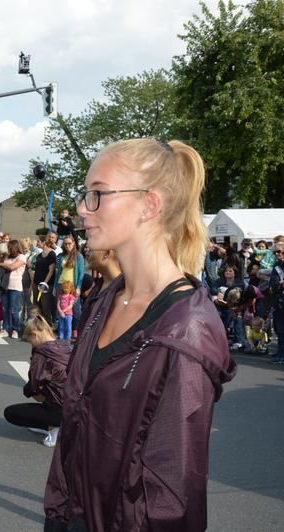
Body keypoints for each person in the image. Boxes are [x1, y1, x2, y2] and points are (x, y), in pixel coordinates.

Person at [44, 138, 236, 531]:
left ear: (149, 205)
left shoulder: (185, 330)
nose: (82, 208)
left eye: (98, 194)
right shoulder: (106, 300)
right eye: (85, 194)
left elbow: (171, 499)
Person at [3, 316, 71, 448]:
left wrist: (28, 390)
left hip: (59, 408)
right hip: (77, 404)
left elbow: (34, 389)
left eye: (30, 341)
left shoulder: (41, 354)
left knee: (11, 413)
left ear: (34, 334)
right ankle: (59, 424)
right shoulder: (66, 346)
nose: (32, 345)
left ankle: (54, 427)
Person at [32, 236, 57, 325]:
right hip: (36, 283)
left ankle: (48, 325)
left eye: (38, 241)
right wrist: (33, 283)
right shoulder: (39, 255)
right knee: (37, 304)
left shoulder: (51, 254)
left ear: (44, 242)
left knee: (45, 305)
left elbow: (51, 271)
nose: (37, 243)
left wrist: (44, 283)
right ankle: (38, 324)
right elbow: (36, 270)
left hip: (46, 284)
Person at [271, 242, 284, 364]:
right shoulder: (276, 266)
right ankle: (280, 353)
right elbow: (273, 283)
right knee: (279, 329)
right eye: (274, 252)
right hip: (278, 300)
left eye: (279, 252)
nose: (277, 254)